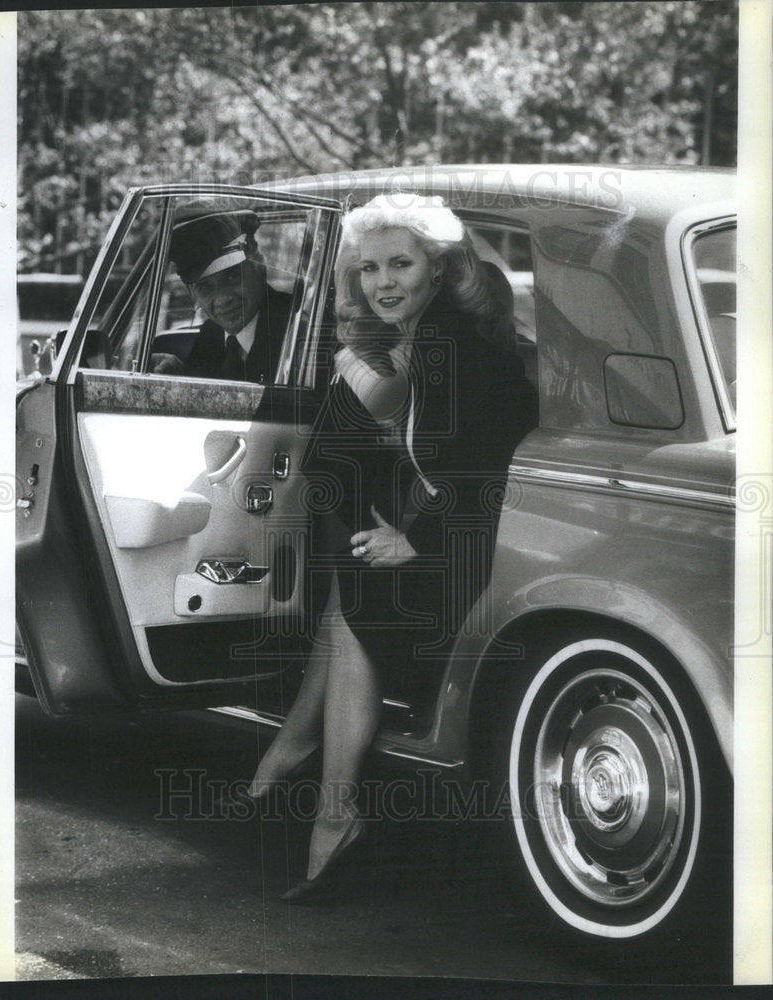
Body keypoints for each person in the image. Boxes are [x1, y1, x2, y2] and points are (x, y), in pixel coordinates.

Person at [248, 193, 537, 901]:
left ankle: (326, 792)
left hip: (482, 556)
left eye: (400, 264)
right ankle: (313, 772)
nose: (382, 281)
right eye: (370, 267)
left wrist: (415, 541)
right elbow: (344, 453)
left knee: (360, 590)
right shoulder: (423, 339)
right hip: (466, 539)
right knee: (355, 570)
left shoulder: (459, 347)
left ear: (438, 269)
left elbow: (487, 469)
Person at [151, 201, 292, 383]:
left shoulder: (293, 323)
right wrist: (180, 375)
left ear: (259, 266)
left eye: (232, 277)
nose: (222, 299)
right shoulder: (212, 336)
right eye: (205, 288)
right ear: (193, 294)